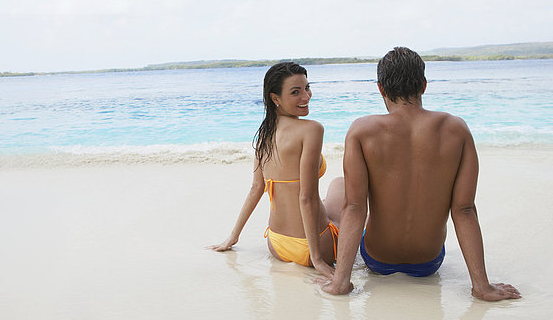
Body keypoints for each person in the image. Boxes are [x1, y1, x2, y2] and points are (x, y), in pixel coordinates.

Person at [319, 47, 521, 301]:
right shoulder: (456, 129)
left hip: (377, 260)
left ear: (381, 88)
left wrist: (340, 283)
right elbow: (464, 210)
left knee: (339, 188)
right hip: (428, 263)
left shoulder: (362, 130)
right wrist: (482, 286)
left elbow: (355, 208)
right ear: (423, 85)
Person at [209, 62, 345, 277]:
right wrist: (317, 260)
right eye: (295, 92)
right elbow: (306, 197)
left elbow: (256, 188)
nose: (306, 96)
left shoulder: (264, 134)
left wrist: (232, 238)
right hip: (312, 248)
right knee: (341, 186)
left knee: (328, 201)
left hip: (276, 245)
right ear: (275, 99)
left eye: (307, 88)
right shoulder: (311, 129)